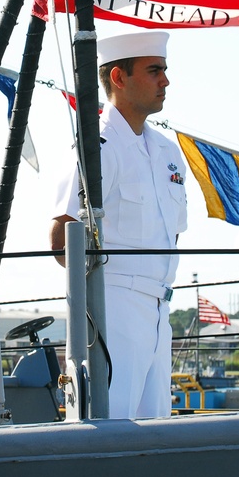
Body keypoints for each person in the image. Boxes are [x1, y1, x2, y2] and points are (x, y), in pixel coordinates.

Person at [49, 31, 188, 419]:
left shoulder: (166, 151)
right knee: (110, 425)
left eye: (164, 70)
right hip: (114, 305)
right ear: (119, 78)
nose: (165, 80)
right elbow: (62, 238)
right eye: (154, 70)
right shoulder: (97, 147)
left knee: (156, 431)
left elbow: (173, 232)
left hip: (161, 308)